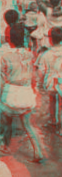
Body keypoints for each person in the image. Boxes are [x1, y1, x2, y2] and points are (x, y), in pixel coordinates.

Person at [0, 24, 44, 163]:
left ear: (8, 39)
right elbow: (33, 77)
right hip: (27, 96)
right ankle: (38, 152)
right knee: (29, 126)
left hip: (10, 96)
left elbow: (1, 81)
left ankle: (4, 148)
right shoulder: (30, 54)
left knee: (5, 124)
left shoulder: (4, 57)